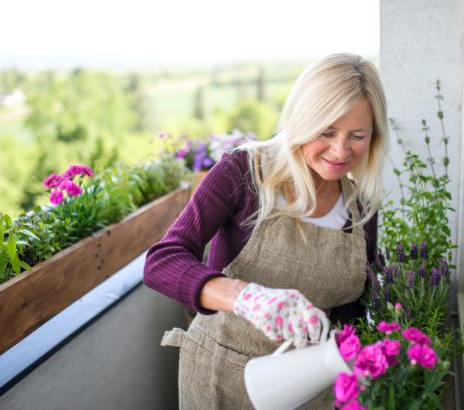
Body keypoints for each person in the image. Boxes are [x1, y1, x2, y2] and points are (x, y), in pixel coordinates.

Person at [143, 53, 388, 409]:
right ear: (303, 121)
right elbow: (161, 261)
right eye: (327, 131)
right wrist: (244, 297)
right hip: (220, 380)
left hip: (305, 390)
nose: (340, 150)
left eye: (358, 135)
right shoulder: (244, 173)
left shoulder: (361, 211)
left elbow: (349, 311)